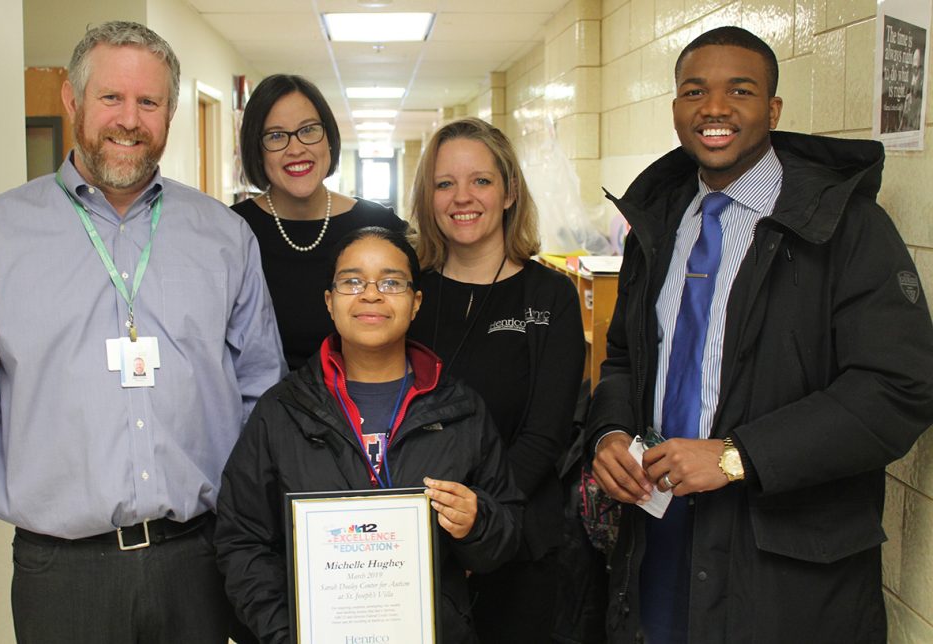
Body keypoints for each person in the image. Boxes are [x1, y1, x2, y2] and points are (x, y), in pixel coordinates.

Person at [0, 21, 285, 644]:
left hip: (201, 559)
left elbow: (262, 397)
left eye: (149, 102)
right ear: (72, 99)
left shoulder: (223, 237)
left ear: (170, 112)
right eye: (112, 97)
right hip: (61, 573)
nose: (129, 119)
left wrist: (262, 537)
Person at [588, 26, 933, 643]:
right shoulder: (659, 225)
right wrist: (612, 432)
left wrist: (735, 456)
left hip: (784, 573)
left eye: (739, 91)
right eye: (695, 91)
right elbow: (623, 361)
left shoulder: (844, 228)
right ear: (675, 110)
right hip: (658, 542)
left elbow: (898, 387)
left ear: (773, 110)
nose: (715, 108)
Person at [215, 227, 523, 643]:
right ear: (329, 301)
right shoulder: (282, 411)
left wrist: (476, 522)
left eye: (392, 282)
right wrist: (291, 634)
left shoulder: (460, 410)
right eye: (352, 281)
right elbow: (243, 541)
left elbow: (505, 535)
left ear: (415, 303)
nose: (371, 294)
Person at [407, 117, 586, 642]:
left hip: (517, 539)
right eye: (445, 183)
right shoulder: (406, 292)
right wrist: (434, 531)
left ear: (509, 191)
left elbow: (544, 435)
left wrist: (477, 525)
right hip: (416, 546)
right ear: (428, 196)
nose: (463, 197)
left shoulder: (549, 297)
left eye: (480, 181)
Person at [233, 74, 405, 371]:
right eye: (276, 136)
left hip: (370, 409)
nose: (296, 148)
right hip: (265, 412)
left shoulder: (380, 226)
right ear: (257, 151)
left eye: (308, 130)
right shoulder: (233, 230)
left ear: (329, 138)